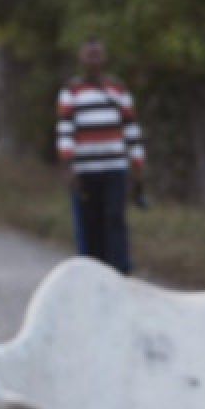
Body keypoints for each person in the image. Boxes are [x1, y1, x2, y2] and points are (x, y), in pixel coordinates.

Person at [56, 38, 145, 274]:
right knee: (88, 224)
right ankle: (91, 274)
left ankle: (119, 273)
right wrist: (68, 166)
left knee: (115, 220)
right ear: (81, 59)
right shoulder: (71, 91)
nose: (93, 60)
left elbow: (131, 130)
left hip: (115, 167)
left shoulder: (118, 89)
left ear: (104, 59)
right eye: (89, 55)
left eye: (98, 55)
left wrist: (137, 166)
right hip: (85, 171)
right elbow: (65, 130)